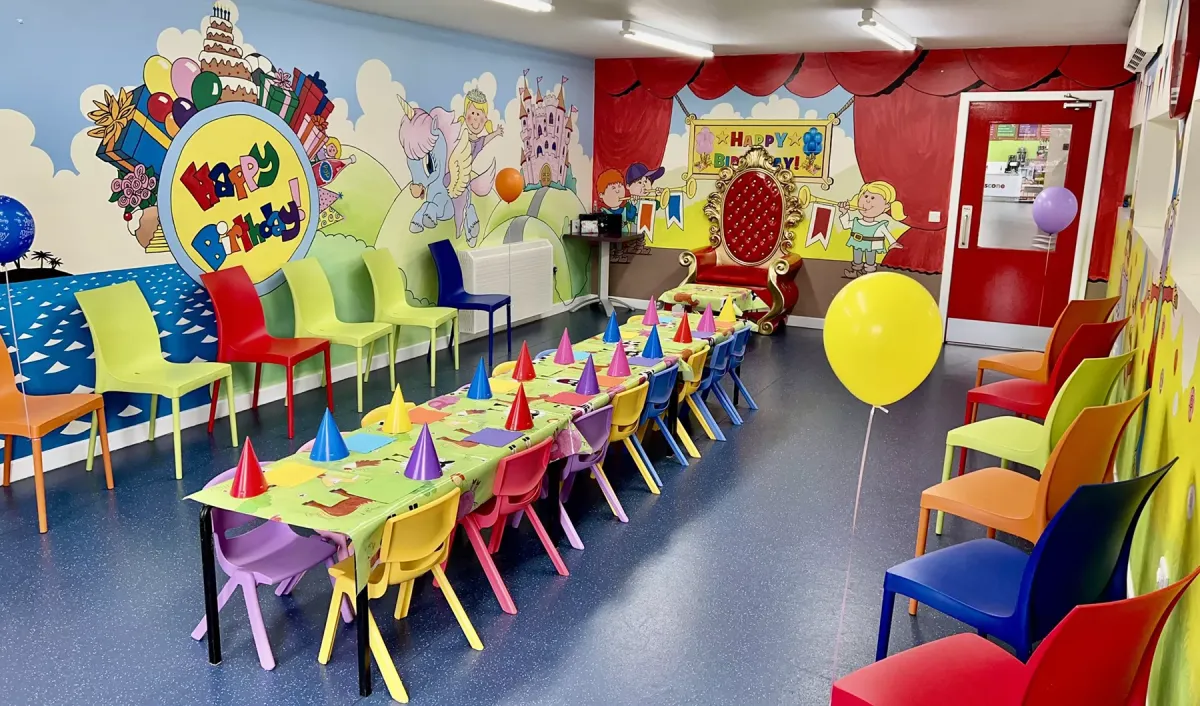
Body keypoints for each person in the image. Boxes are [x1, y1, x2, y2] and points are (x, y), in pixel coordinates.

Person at [838, 181, 905, 279]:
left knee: (870, 261)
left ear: (886, 206)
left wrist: (893, 243)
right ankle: (855, 272)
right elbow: (845, 225)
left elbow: (887, 235)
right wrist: (844, 212)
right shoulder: (856, 222)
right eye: (865, 196)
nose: (867, 201)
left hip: (871, 246)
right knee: (857, 259)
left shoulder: (879, 225)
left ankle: (869, 275)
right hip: (857, 243)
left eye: (873, 198)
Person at [459, 89, 504, 161]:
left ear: (486, 119)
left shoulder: (478, 143)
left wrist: (496, 132)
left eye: (478, 114)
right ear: (465, 115)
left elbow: (486, 139)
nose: (475, 118)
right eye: (472, 113)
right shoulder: (461, 135)